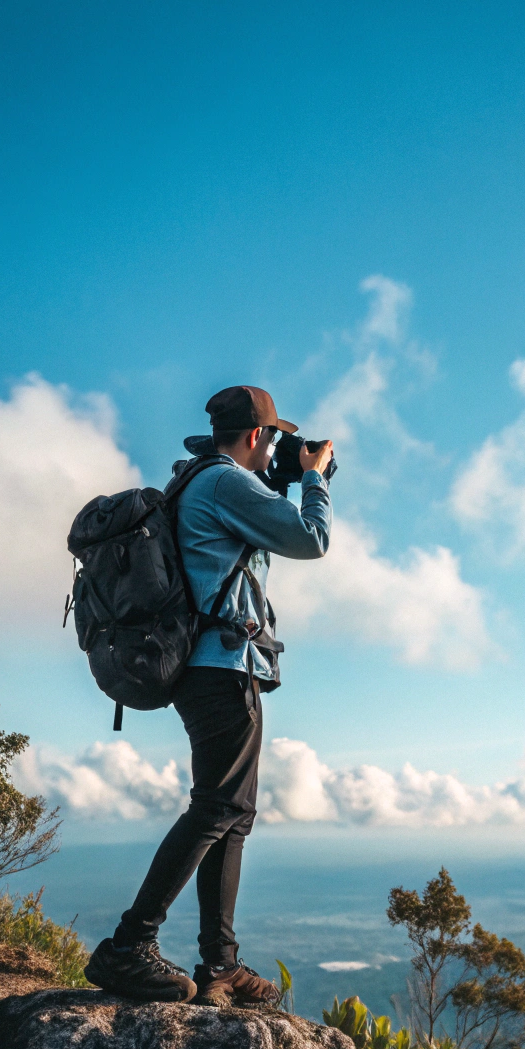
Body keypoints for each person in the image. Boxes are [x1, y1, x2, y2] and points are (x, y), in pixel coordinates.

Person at [84, 385, 333, 1007]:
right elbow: (311, 540)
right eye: (272, 438)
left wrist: (277, 477)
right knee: (216, 809)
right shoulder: (225, 483)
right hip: (224, 666)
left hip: (201, 665)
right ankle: (128, 947)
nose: (273, 447)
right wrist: (316, 480)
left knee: (230, 813)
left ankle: (219, 965)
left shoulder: (196, 480)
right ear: (257, 436)